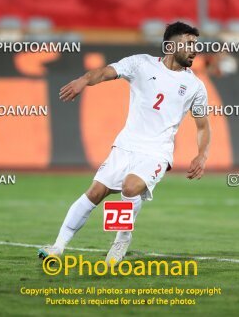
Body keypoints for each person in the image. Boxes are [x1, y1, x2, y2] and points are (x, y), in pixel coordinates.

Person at [38, 22, 211, 265]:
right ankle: (57, 246)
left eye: (196, 44)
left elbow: (203, 126)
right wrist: (84, 80)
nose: (195, 49)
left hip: (156, 152)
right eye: (188, 44)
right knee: (95, 192)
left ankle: (122, 238)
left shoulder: (195, 86)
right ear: (171, 45)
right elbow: (104, 72)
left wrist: (201, 156)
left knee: (131, 187)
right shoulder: (140, 63)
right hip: (126, 145)